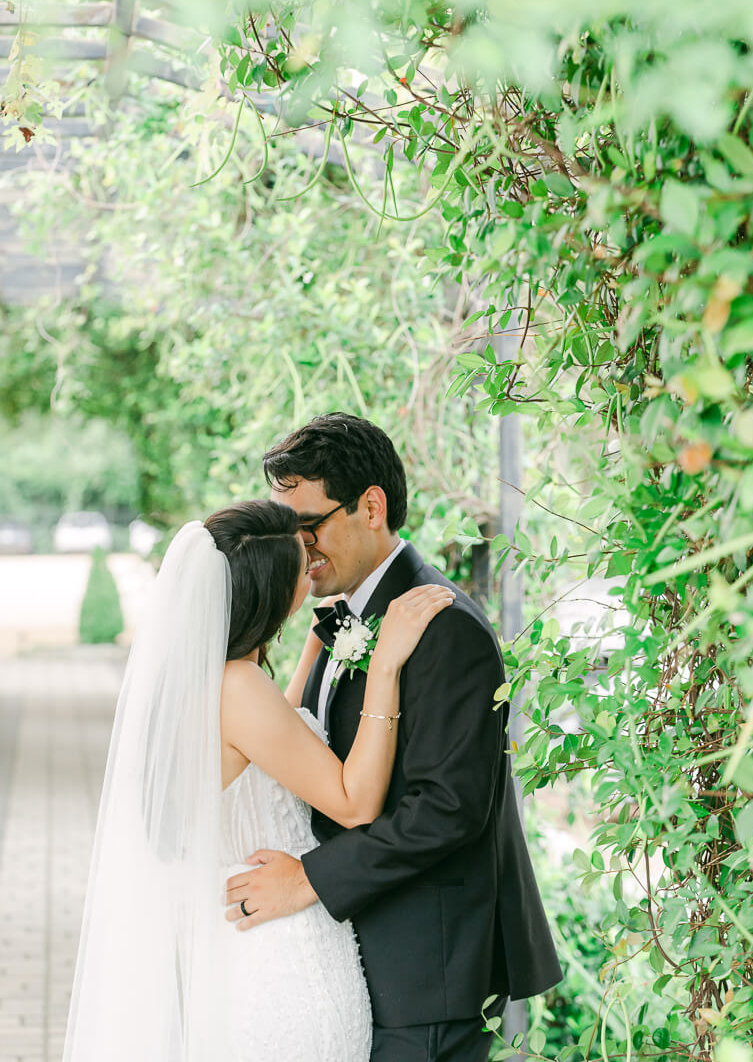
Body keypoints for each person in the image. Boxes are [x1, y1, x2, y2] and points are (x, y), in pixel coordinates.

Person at [62, 499, 454, 1062]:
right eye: (302, 562)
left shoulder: (207, 684)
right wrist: (385, 666)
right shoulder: (238, 688)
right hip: (282, 965)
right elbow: (354, 802)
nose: (314, 564)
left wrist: (313, 652)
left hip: (237, 952)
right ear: (272, 592)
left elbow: (270, 750)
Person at [226, 414, 563, 1062]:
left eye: (309, 525)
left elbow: (448, 808)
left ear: (370, 506)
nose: (298, 546)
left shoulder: (442, 625)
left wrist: (309, 880)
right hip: (349, 961)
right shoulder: (345, 617)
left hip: (422, 970)